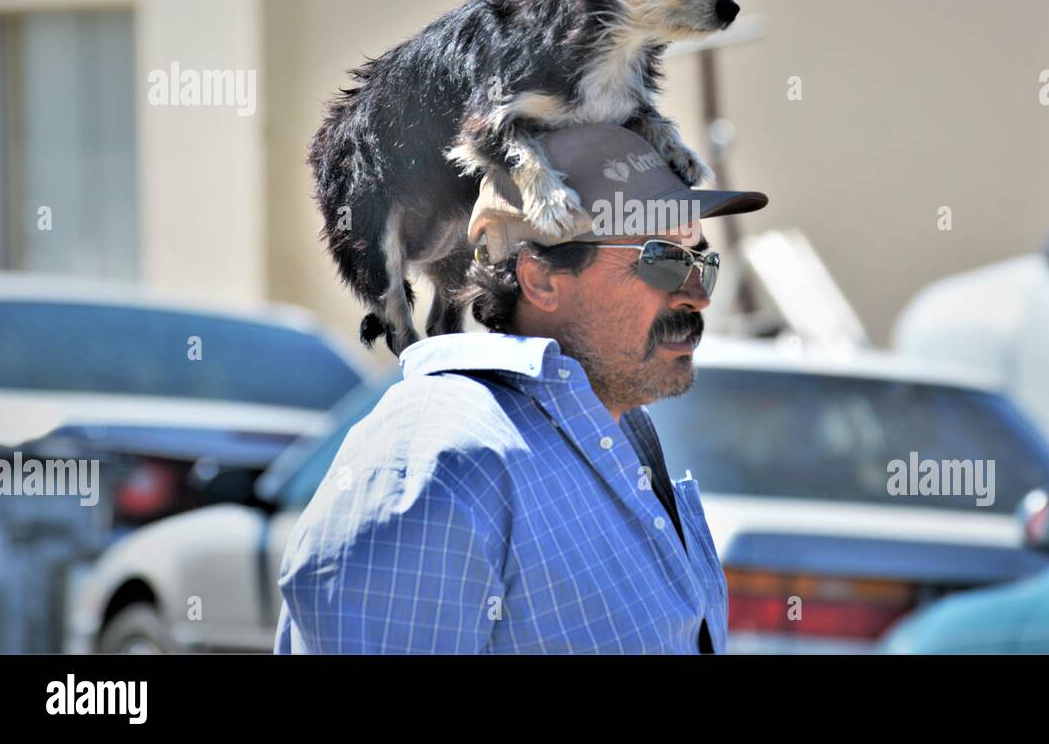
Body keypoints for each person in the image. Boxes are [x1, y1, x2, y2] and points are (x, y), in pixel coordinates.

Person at [274, 123, 767, 653]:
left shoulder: (612, 430)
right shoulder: (438, 463)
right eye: (664, 260)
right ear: (542, 279)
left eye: (702, 262)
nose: (699, 296)